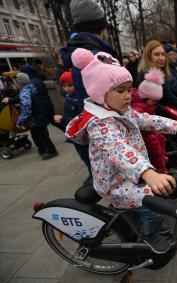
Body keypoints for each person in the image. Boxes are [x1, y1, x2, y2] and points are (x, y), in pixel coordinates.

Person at [65, 48, 177, 253]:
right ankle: (150, 236)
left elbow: (145, 119)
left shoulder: (119, 110)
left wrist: (175, 125)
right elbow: (118, 149)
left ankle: (140, 222)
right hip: (115, 182)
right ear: (100, 92)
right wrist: (148, 173)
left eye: (128, 89)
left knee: (158, 194)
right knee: (154, 204)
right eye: (120, 91)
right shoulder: (100, 124)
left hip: (128, 173)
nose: (127, 96)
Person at [60, 0, 118, 185]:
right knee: (119, 173)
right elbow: (112, 97)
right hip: (106, 124)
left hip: (93, 122)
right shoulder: (95, 56)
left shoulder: (79, 53)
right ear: (101, 29)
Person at [4, 72, 58, 159]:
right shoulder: (32, 87)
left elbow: (26, 110)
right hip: (40, 114)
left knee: (41, 136)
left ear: (19, 83)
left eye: (15, 82)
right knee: (38, 135)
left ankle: (51, 151)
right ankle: (43, 150)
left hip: (35, 118)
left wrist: (19, 122)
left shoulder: (24, 93)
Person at [131, 68, 168, 174]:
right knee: (155, 144)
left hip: (148, 131)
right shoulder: (139, 108)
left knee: (160, 138)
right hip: (144, 135)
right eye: (153, 101)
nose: (155, 103)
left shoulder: (146, 105)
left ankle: (161, 158)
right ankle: (160, 167)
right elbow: (141, 123)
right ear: (145, 97)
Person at [53, 71, 91, 173]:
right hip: (75, 134)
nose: (67, 88)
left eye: (70, 85)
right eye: (64, 86)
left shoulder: (79, 99)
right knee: (83, 157)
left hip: (81, 135)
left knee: (87, 157)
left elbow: (82, 119)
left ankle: (93, 176)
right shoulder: (69, 97)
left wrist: (62, 119)